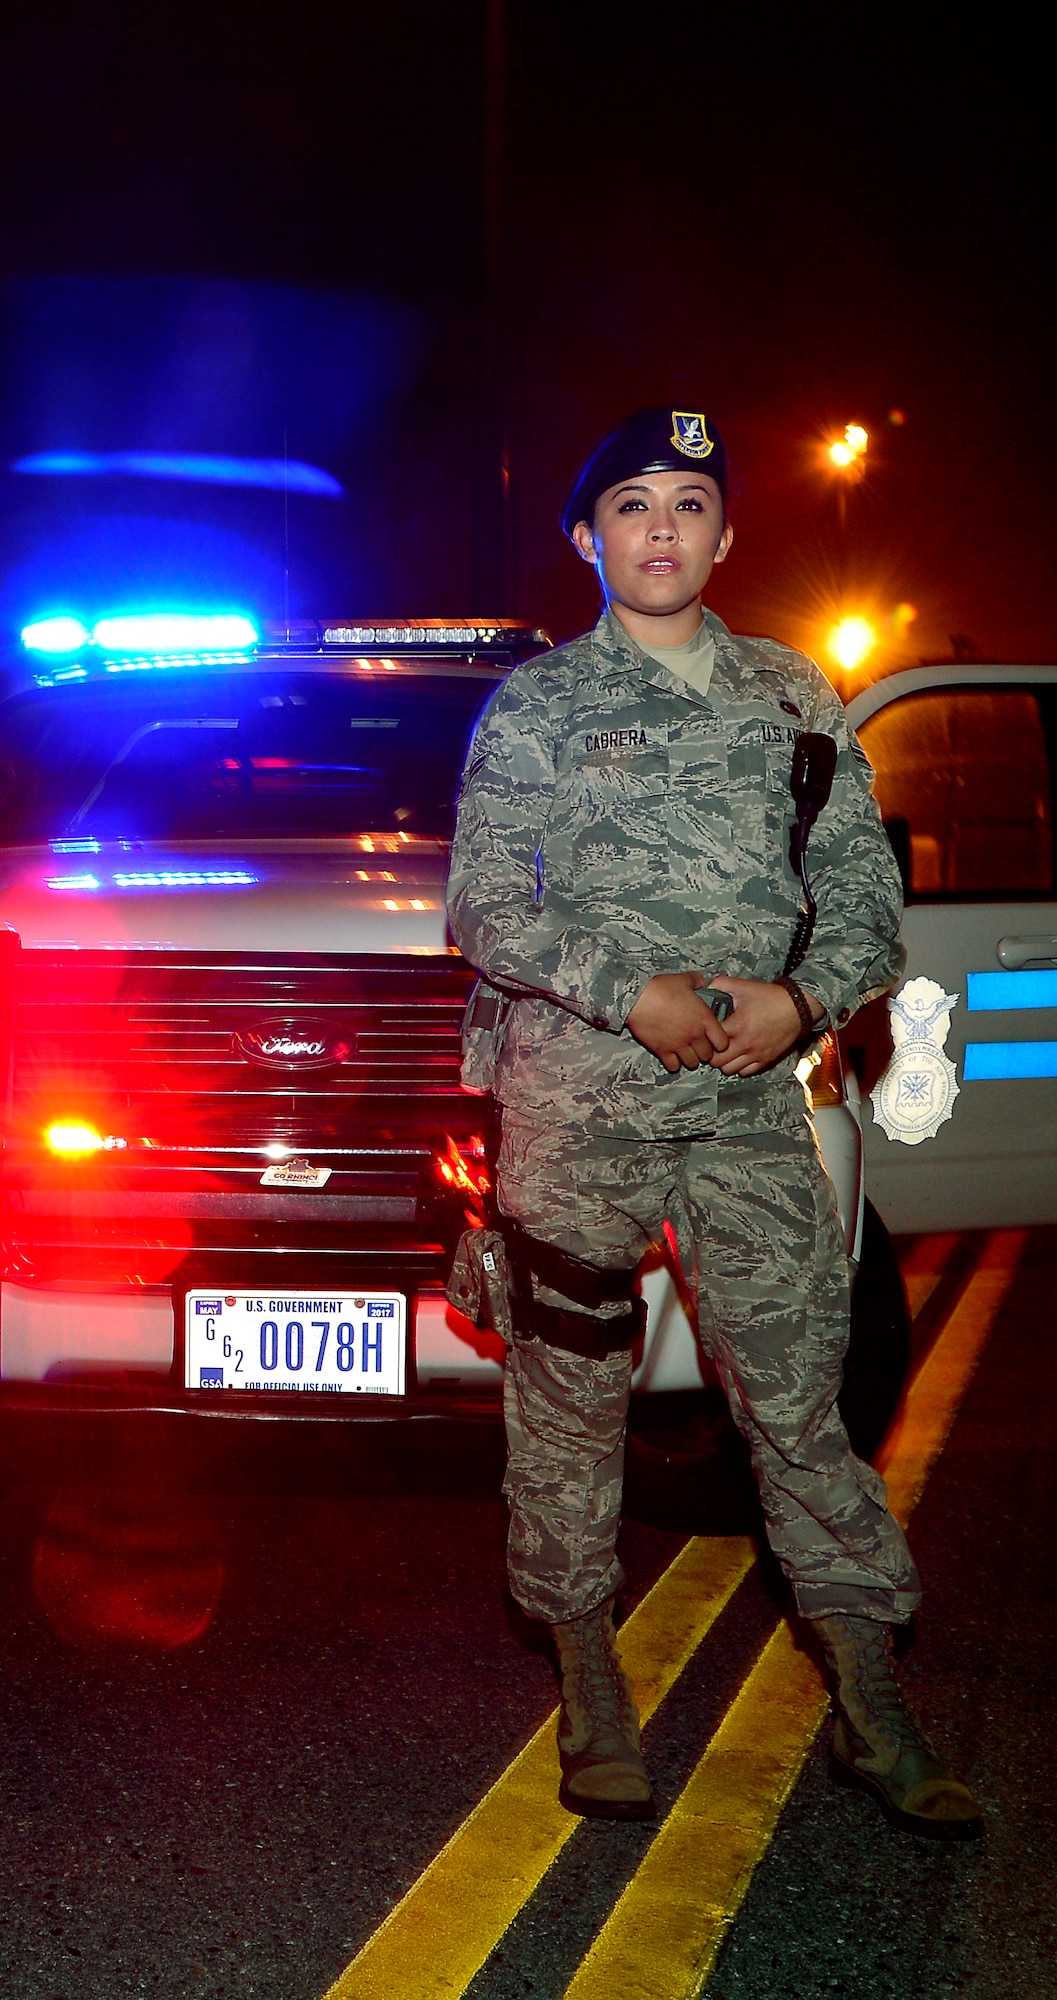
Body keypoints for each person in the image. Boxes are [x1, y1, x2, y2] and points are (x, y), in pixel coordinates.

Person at [446, 405, 981, 1838]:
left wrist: (806, 1000)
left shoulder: (792, 694)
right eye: (630, 504)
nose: (661, 528)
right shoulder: (538, 707)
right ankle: (589, 1694)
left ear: (725, 534)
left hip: (749, 1110)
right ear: (586, 538)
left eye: (687, 503)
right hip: (576, 1108)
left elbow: (863, 886)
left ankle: (869, 1707)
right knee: (569, 1410)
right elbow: (484, 906)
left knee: (797, 1408)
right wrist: (635, 995)